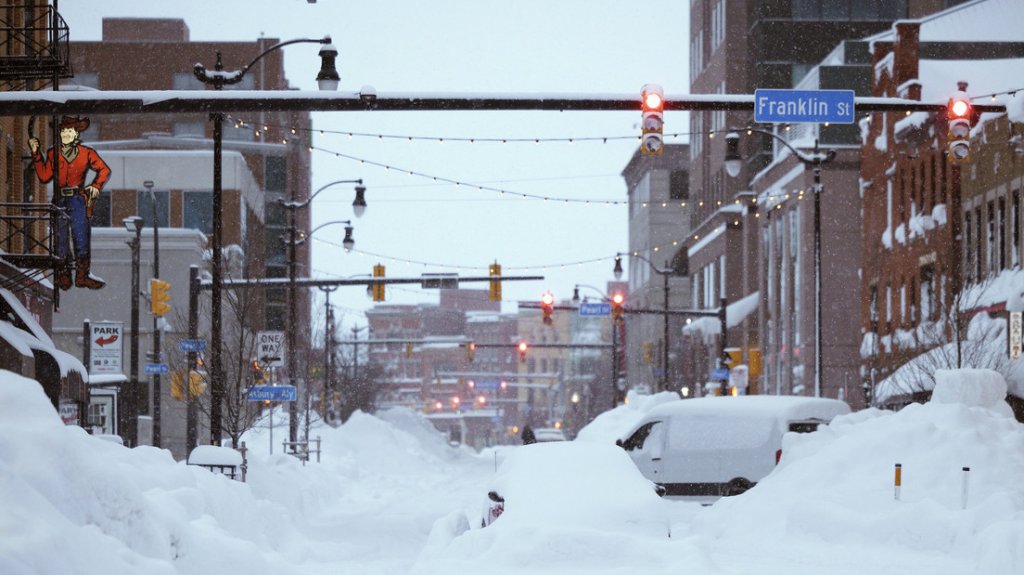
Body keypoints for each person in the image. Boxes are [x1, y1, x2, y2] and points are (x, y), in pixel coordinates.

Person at [29, 115, 111, 290]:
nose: (66, 133)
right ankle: (63, 274)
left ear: (77, 133)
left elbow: (104, 170)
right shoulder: (53, 153)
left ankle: (82, 275)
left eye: (70, 130)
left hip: (77, 199)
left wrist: (95, 187)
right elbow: (44, 175)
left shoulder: (86, 153)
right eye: (63, 130)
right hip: (59, 199)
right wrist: (36, 154)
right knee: (60, 237)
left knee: (81, 236)